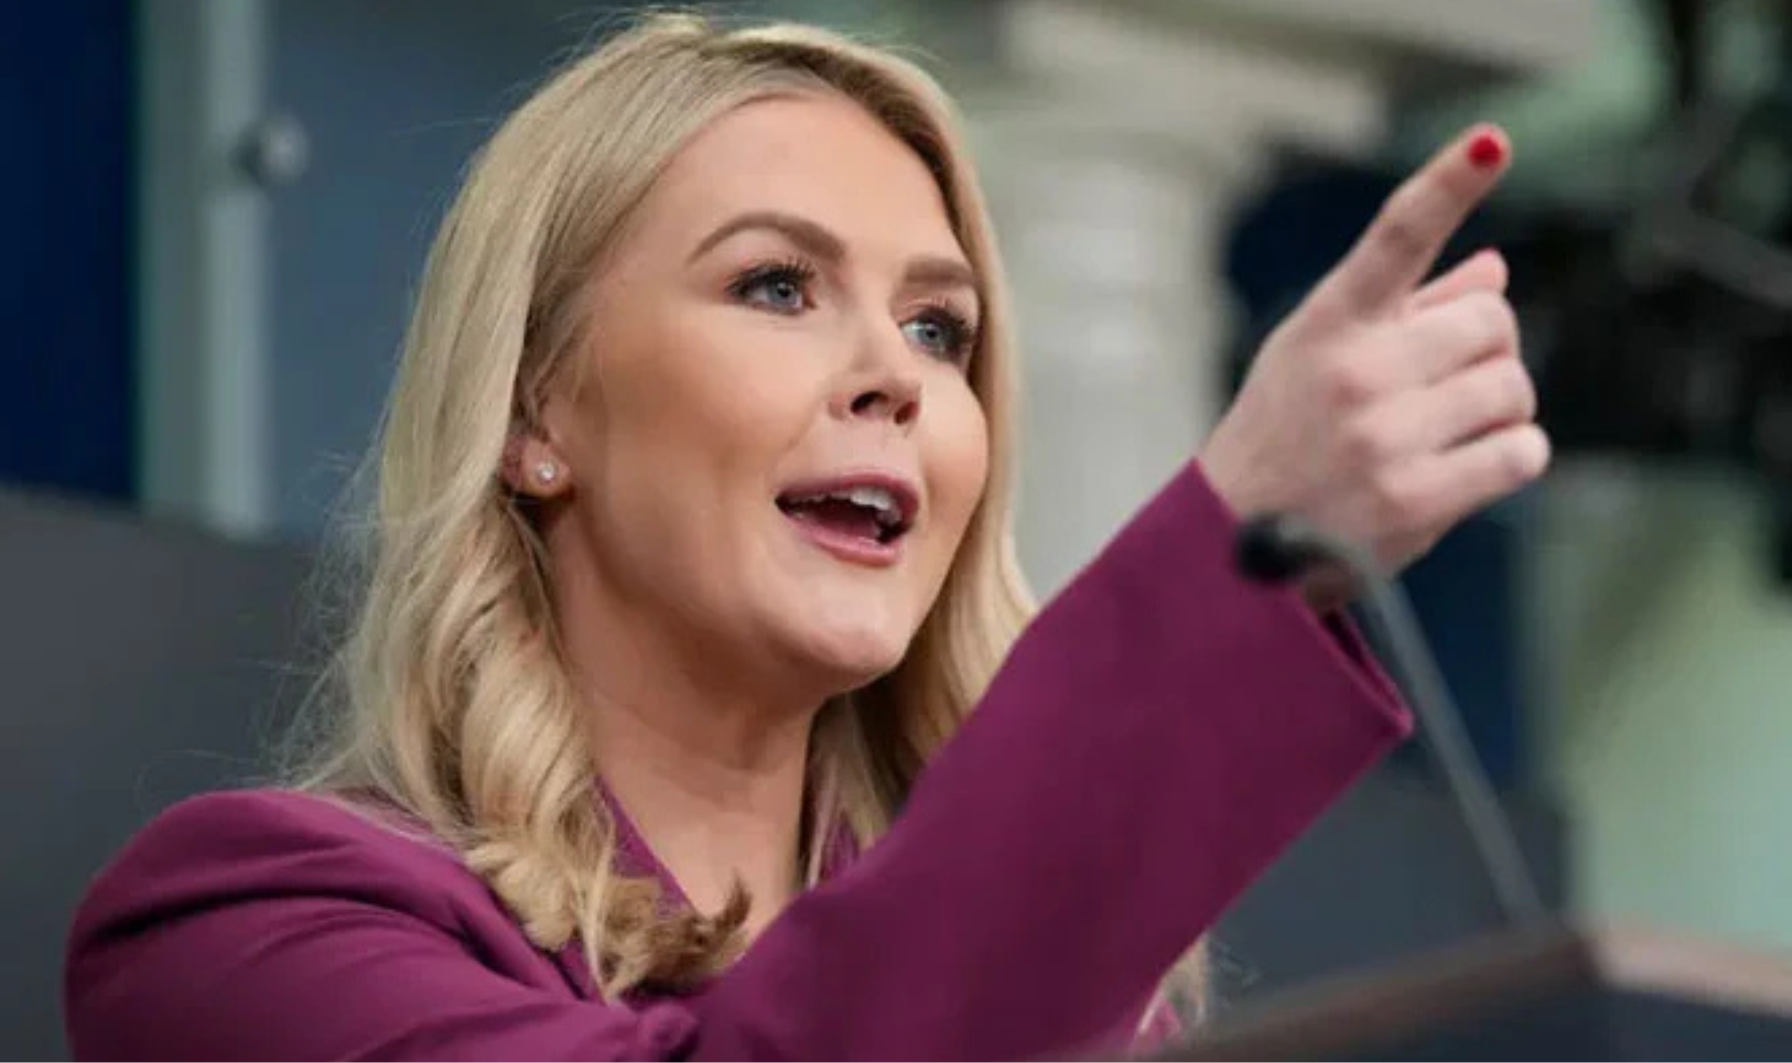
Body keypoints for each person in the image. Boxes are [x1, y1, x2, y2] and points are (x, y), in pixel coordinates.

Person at [63, 12, 1546, 1062]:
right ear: (534, 410)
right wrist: (1225, 563)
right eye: (776, 285)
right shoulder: (238, 938)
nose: (897, 373)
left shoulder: (1098, 1017)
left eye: (940, 328)